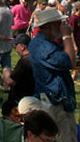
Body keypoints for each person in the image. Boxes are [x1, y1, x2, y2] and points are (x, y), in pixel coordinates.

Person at [28, 8, 77, 142]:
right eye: (59, 23)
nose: (62, 26)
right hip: (54, 101)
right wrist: (67, 36)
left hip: (58, 99)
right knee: (63, 137)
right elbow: (71, 62)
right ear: (51, 25)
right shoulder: (42, 46)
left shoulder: (48, 44)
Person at [5, 33, 35, 103]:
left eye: (15, 46)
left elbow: (11, 81)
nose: (15, 49)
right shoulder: (35, 58)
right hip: (34, 96)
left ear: (22, 47)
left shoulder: (24, 62)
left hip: (21, 99)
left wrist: (6, 75)